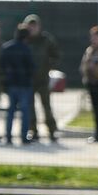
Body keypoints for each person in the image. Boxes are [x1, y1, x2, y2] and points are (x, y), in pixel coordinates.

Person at [22, 14, 61, 142]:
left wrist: (48, 66)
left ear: (39, 26)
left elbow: (56, 55)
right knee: (30, 107)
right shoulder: (23, 39)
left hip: (43, 78)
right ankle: (33, 130)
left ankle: (52, 131)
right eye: (30, 26)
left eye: (35, 25)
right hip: (28, 79)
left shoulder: (46, 39)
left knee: (46, 106)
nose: (33, 28)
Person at [0, 23, 36, 146]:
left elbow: (1, 66)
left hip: (11, 84)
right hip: (24, 84)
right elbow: (31, 67)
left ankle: (8, 136)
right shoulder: (26, 49)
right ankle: (23, 137)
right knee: (25, 112)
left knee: (10, 111)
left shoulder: (6, 48)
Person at [80, 25, 98, 143]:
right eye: (92, 37)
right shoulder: (89, 51)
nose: (93, 39)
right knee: (96, 110)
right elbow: (84, 66)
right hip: (92, 84)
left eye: (96, 37)